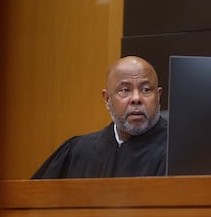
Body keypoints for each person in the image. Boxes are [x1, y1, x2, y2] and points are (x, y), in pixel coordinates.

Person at [31, 56, 167, 179]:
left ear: (158, 96)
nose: (136, 98)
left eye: (146, 90)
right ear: (107, 99)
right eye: (125, 90)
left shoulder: (176, 152)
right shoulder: (79, 151)